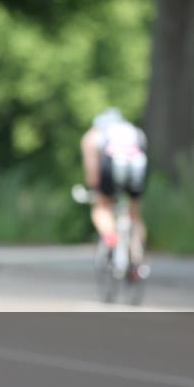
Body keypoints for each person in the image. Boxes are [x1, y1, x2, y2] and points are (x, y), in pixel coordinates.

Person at [80, 108, 149, 280]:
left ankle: (111, 237)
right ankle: (136, 258)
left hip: (111, 169)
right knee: (134, 215)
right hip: (136, 169)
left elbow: (92, 168)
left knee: (100, 207)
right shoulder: (135, 132)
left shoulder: (93, 135)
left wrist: (96, 190)